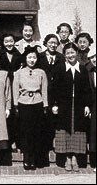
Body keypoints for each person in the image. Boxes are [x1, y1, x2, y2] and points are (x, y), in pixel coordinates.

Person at [51, 43, 92, 172]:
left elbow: (87, 90)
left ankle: (75, 158)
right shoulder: (60, 68)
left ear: (77, 53)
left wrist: (87, 105)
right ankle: (67, 158)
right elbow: (53, 89)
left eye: (72, 52)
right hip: (64, 105)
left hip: (79, 105)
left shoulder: (83, 69)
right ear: (65, 55)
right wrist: (54, 104)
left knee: (77, 130)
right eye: (68, 53)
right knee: (65, 130)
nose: (70, 55)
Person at [13, 45, 49, 170]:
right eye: (29, 57)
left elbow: (44, 90)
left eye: (34, 57)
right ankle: (26, 159)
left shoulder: (41, 72)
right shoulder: (19, 73)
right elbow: (15, 89)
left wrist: (45, 105)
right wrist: (16, 105)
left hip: (37, 104)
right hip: (23, 104)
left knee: (36, 132)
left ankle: (35, 159)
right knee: (25, 133)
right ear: (25, 58)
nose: (32, 60)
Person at [36, 34, 65, 162]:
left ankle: (53, 145)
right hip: (42, 93)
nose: (53, 45)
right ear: (45, 43)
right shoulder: (40, 57)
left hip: (56, 94)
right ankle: (44, 148)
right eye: (50, 42)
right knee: (42, 122)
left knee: (54, 121)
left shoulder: (61, 58)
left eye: (55, 43)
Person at [0, 33, 23, 151]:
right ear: (3, 43)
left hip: (16, 87)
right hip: (2, 86)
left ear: (14, 42)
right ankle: (4, 140)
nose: (9, 44)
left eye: (11, 41)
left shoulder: (19, 55)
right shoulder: (0, 54)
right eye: (6, 41)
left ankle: (14, 141)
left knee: (14, 114)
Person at [87, 44, 96, 172]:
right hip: (94, 105)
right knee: (94, 134)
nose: (95, 59)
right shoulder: (87, 71)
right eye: (93, 57)